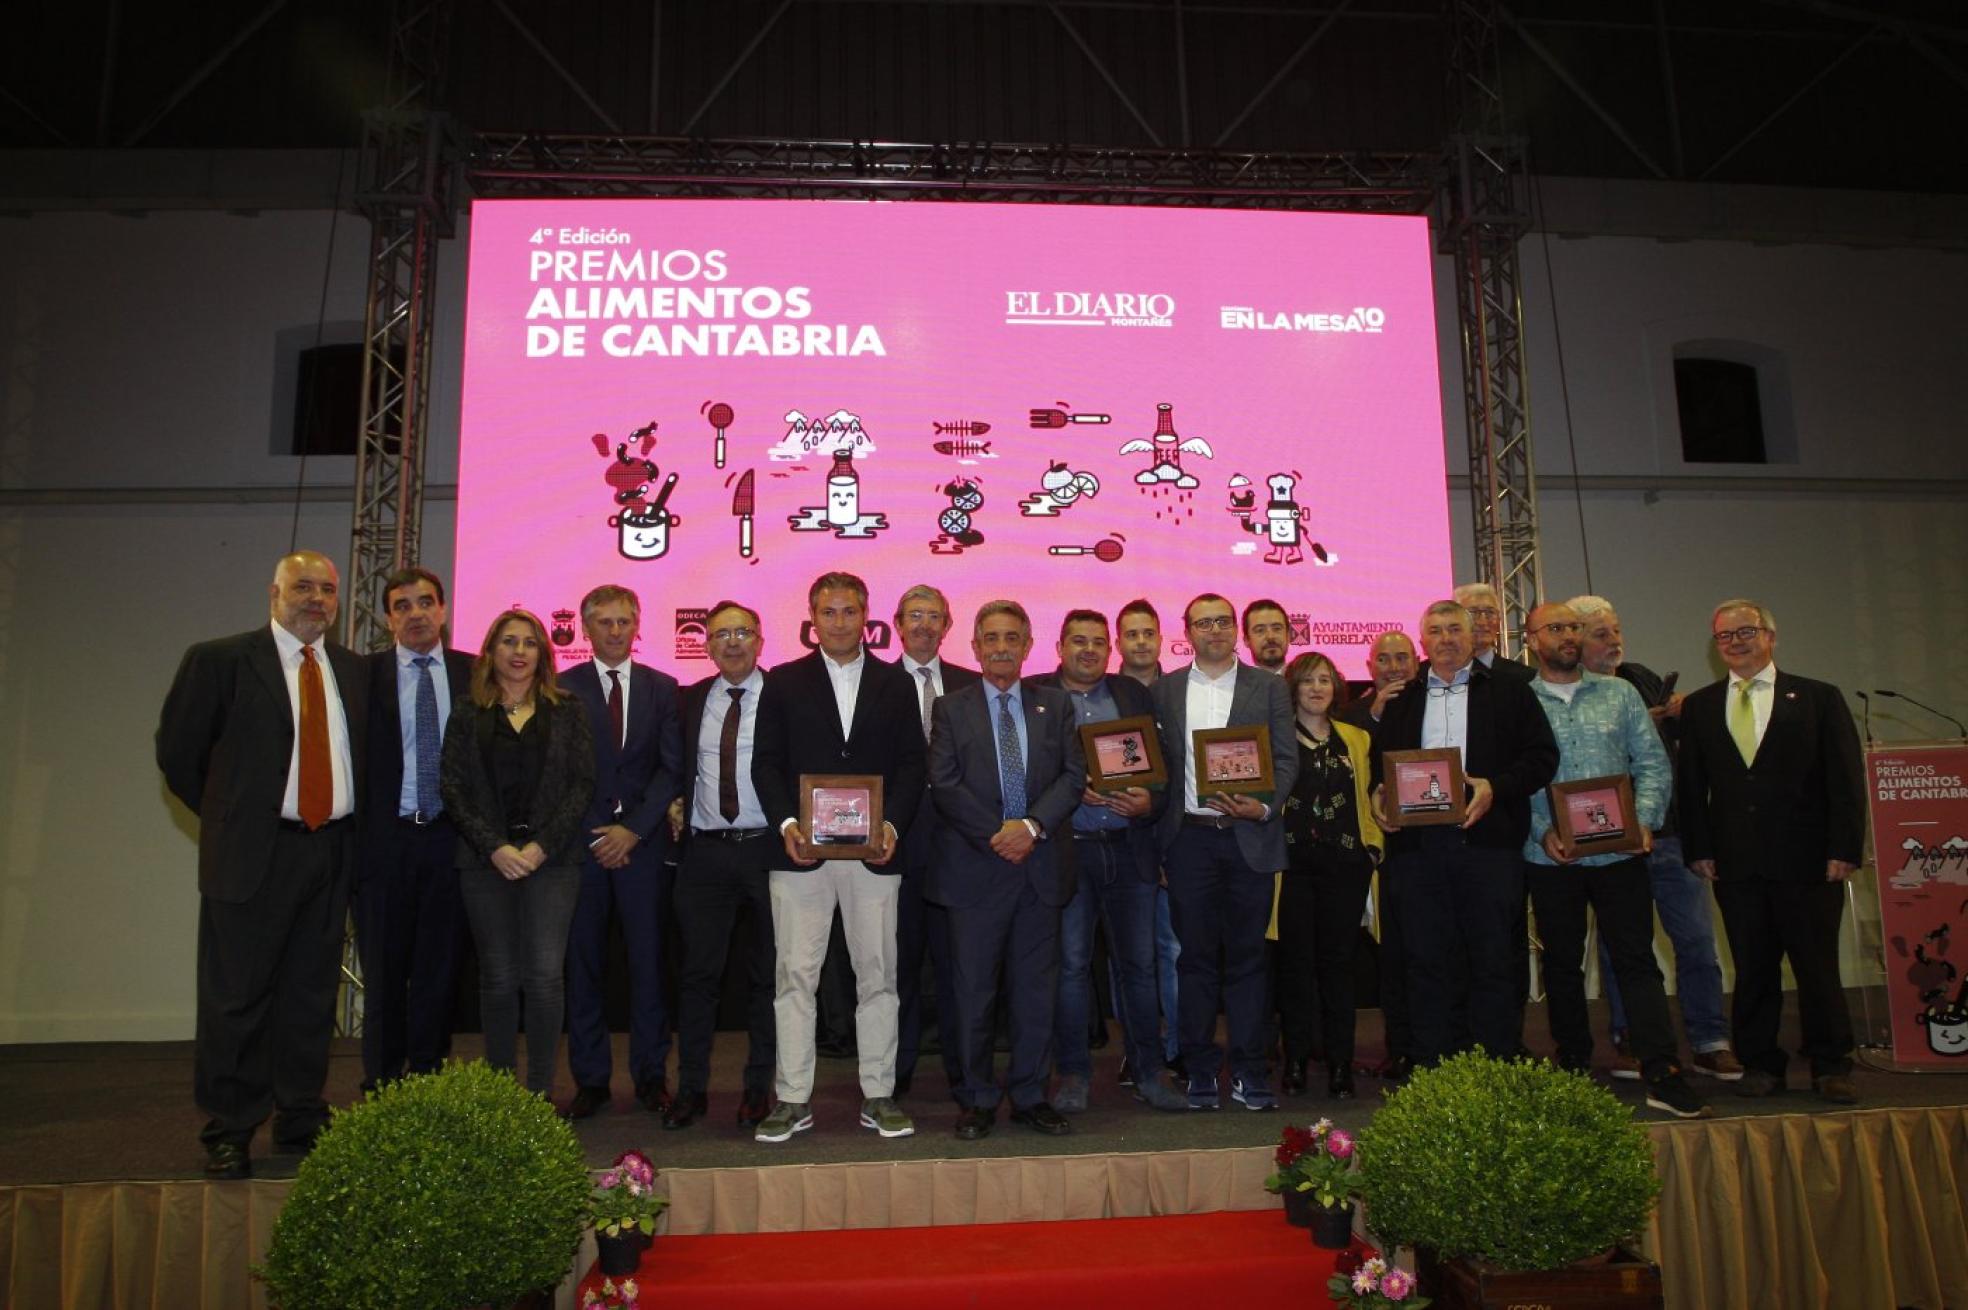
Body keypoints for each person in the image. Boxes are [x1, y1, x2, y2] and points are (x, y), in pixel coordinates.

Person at [157, 549, 368, 1179]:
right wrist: (236, 821)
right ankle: (230, 1125)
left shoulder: (352, 671)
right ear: (272, 593)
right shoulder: (219, 661)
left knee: (309, 994)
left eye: (326, 590)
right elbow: (180, 757)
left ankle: (299, 1114)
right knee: (237, 996)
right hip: (254, 853)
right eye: (302, 587)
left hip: (329, 850)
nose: (316, 600)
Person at [750, 572, 927, 1142]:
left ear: (867, 616)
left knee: (878, 975)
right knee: (794, 977)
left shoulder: (896, 684)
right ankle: (792, 1098)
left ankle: (879, 1093)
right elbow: (766, 763)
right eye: (829, 612)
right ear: (812, 617)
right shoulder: (782, 681)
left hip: (876, 855)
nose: (840, 622)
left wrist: (892, 823)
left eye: (850, 611)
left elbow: (912, 765)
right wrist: (787, 824)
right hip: (801, 853)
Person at [1520, 603, 1710, 1119]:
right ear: (1533, 639)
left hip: (1619, 854)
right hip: (1549, 854)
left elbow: (1651, 764)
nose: (1567, 636)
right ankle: (1573, 1059)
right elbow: (1516, 777)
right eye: (1555, 628)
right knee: (1561, 962)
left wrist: (1643, 821)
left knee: (1636, 958)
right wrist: (1542, 829)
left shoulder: (1621, 694)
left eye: (1573, 628)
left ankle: (1662, 1069)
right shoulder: (1518, 701)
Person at [1679, 599, 1865, 1103]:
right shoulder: (1699, 706)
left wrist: (1844, 848)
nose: (1736, 642)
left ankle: (1831, 1064)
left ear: (1771, 637)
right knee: (1753, 967)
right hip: (1736, 862)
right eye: (1725, 636)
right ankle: (1762, 1064)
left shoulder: (1818, 698)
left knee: (1817, 967)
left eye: (1747, 632)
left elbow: (1846, 782)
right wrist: (1698, 848)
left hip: (1810, 861)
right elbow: (1691, 787)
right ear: (1715, 645)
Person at [1370, 600, 1557, 1069]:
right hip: (1418, 850)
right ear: (1423, 642)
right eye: (1435, 630)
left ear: (1475, 637)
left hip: (1488, 846)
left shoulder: (1511, 691)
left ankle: (1494, 1065)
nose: (1446, 638)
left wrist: (1496, 787)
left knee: (1493, 959)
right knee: (1427, 960)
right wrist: (1377, 796)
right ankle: (1436, 1066)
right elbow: (1380, 769)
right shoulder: (1402, 700)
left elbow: (1541, 758)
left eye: (1456, 629)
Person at [928, 600, 1087, 1138]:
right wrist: (1000, 833)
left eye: (1011, 638)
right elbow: (944, 783)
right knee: (974, 993)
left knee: (1034, 993)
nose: (1000, 647)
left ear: (1027, 645)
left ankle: (1028, 1094)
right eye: (990, 637)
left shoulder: (1056, 706)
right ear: (973, 647)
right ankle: (975, 1098)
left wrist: (1032, 828)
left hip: (1038, 868)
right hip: (976, 870)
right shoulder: (951, 708)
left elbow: (1072, 776)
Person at [1570, 595, 1742, 1082]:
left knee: (1694, 941)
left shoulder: (1639, 675)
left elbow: (1679, 747)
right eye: (1601, 634)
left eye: (1616, 630)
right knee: (1622, 948)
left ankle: (1710, 1040)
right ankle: (1630, 1040)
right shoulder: (1568, 690)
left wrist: (1680, 715)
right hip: (1607, 839)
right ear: (1576, 640)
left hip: (1666, 833)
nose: (1614, 642)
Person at [1031, 610, 1186, 1113]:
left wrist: (1151, 801)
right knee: (1072, 967)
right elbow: (1029, 775)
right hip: (1067, 850)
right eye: (1079, 641)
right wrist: (1072, 791)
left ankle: (1149, 1072)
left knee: (1139, 967)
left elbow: (1162, 767)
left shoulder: (1132, 694)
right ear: (1059, 647)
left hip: (1129, 848)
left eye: (1099, 642)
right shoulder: (1038, 696)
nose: (1090, 650)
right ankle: (1073, 1074)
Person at [440, 609, 595, 1099]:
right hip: (486, 863)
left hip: (553, 862)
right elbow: (453, 787)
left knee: (546, 978)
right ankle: (502, 1093)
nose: (519, 652)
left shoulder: (568, 708)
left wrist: (541, 846)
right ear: (491, 652)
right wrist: (496, 848)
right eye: (509, 642)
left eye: (529, 643)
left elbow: (581, 783)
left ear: (543, 654)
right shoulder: (468, 711)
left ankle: (539, 1092)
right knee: (500, 978)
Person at [1151, 594, 1298, 1110]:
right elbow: (1158, 769)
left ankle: (1251, 1070)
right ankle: (1198, 1068)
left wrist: (1265, 809)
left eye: (1222, 621)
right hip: (1189, 840)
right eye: (1202, 622)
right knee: (1194, 962)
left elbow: (1285, 758)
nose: (1214, 630)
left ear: (1235, 629)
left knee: (1249, 960)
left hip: (1249, 839)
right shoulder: (1166, 689)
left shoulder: (1270, 686)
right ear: (1187, 631)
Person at [559, 585, 684, 1120]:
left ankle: (652, 1075)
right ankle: (590, 1079)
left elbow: (672, 768)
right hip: (582, 848)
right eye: (604, 622)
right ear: (585, 629)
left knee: (648, 963)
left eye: (623, 621)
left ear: (638, 625)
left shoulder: (663, 688)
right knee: (582, 963)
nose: (614, 631)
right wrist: (597, 831)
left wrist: (631, 829)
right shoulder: (560, 689)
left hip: (643, 846)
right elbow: (557, 772)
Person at [356, 565, 473, 1092]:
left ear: (443, 610)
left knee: (438, 969)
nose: (416, 613)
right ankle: (380, 1080)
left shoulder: (474, 675)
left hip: (451, 840)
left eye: (425, 602)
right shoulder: (363, 677)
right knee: (384, 969)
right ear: (388, 619)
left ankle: (426, 1076)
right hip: (386, 843)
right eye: (402, 605)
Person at [663, 601, 776, 1130]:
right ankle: (691, 1089)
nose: (732, 642)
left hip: (768, 851)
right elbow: (671, 767)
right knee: (698, 977)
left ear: (759, 639)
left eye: (742, 632)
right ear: (706, 645)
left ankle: (759, 1089)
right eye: (720, 634)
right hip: (705, 854)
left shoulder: (785, 698)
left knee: (767, 978)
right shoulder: (687, 702)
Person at [1276, 652, 1382, 1099]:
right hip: (1293, 868)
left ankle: (1341, 1062)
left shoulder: (1357, 738)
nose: (1317, 688)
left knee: (1339, 967)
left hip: (1345, 867)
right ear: (1293, 688)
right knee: (1296, 967)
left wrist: (1375, 845)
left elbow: (1371, 797)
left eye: (1325, 680)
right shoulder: (1274, 737)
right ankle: (1297, 1059)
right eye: (1307, 680)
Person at [892, 583, 981, 1099]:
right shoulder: (874, 683)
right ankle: (895, 1071)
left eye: (934, 616)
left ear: (948, 626)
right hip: (894, 847)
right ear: (898, 624)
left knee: (958, 968)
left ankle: (963, 1069)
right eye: (914, 615)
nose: (924, 625)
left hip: (961, 847)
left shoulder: (973, 686)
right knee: (897, 967)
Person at [1339, 627, 1418, 1079]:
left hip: (1424, 845)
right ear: (1369, 668)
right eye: (1383, 659)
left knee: (1422, 950)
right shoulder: (1351, 715)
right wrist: (1375, 713)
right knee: (1387, 954)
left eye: (1401, 657)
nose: (1393, 666)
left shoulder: (1432, 702)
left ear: (1416, 660)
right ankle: (1400, 1045)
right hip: (1372, 850)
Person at [1114, 596, 1182, 1086]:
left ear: (1161, 638)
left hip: (1175, 842)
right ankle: (1137, 1047)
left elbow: (1184, 777)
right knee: (1127, 956)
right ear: (1119, 642)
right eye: (1131, 634)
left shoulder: (1181, 692)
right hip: (1119, 844)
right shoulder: (1103, 693)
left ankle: (1175, 1047)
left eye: (1148, 633)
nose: (1140, 642)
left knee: (1172, 950)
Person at [1454, 582, 1533, 683]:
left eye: (1490, 613)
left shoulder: (1523, 677)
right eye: (1473, 613)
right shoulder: (1437, 674)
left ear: (1499, 620)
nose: (1482, 622)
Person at [1242, 598, 1292, 674]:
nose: (1270, 637)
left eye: (1277, 628)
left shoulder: (1308, 682)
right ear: (1246, 640)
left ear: (1288, 635)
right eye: (1260, 630)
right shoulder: (1236, 684)